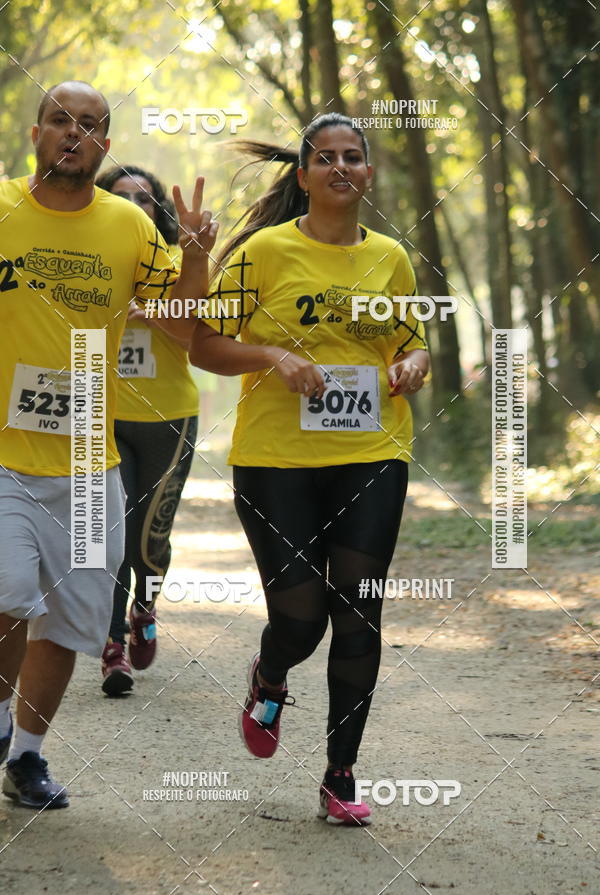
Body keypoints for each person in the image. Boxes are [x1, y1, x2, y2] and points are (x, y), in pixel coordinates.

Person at [189, 113, 429, 826]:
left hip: (371, 453)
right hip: (276, 460)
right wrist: (273, 356)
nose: (340, 167)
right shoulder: (264, 253)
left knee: (358, 608)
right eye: (325, 158)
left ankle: (340, 774)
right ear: (303, 176)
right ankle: (270, 676)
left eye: (353, 156)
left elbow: (410, 345)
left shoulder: (391, 258)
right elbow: (204, 344)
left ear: (368, 174)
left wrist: (414, 364)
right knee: (299, 620)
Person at [0, 80, 216, 809]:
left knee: (70, 624)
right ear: (36, 134)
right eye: (60, 119)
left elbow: (181, 324)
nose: (74, 132)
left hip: (92, 469)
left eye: (90, 124)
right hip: (4, 457)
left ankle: (27, 757)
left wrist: (194, 256)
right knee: (6, 595)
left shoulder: (128, 226)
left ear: (105, 144)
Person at [95, 166, 199, 697]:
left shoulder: (178, 265)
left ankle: (145, 606)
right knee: (108, 536)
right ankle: (112, 646)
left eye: (145, 199)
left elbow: (199, 336)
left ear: (159, 210)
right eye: (121, 197)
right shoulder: (92, 262)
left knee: (148, 539)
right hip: (101, 413)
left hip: (168, 418)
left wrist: (153, 312)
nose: (135, 207)